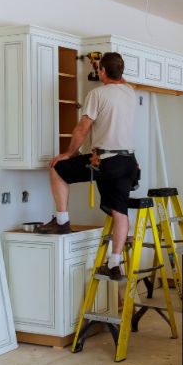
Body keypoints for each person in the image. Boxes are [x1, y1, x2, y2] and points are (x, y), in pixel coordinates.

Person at [37, 52, 138, 280]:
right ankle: (114, 264)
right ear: (121, 72)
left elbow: (82, 128)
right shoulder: (130, 92)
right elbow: (117, 78)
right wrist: (105, 67)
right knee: (120, 211)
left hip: (106, 160)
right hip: (128, 162)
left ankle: (62, 221)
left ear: (102, 71)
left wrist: (68, 153)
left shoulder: (97, 94)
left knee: (57, 168)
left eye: (100, 70)